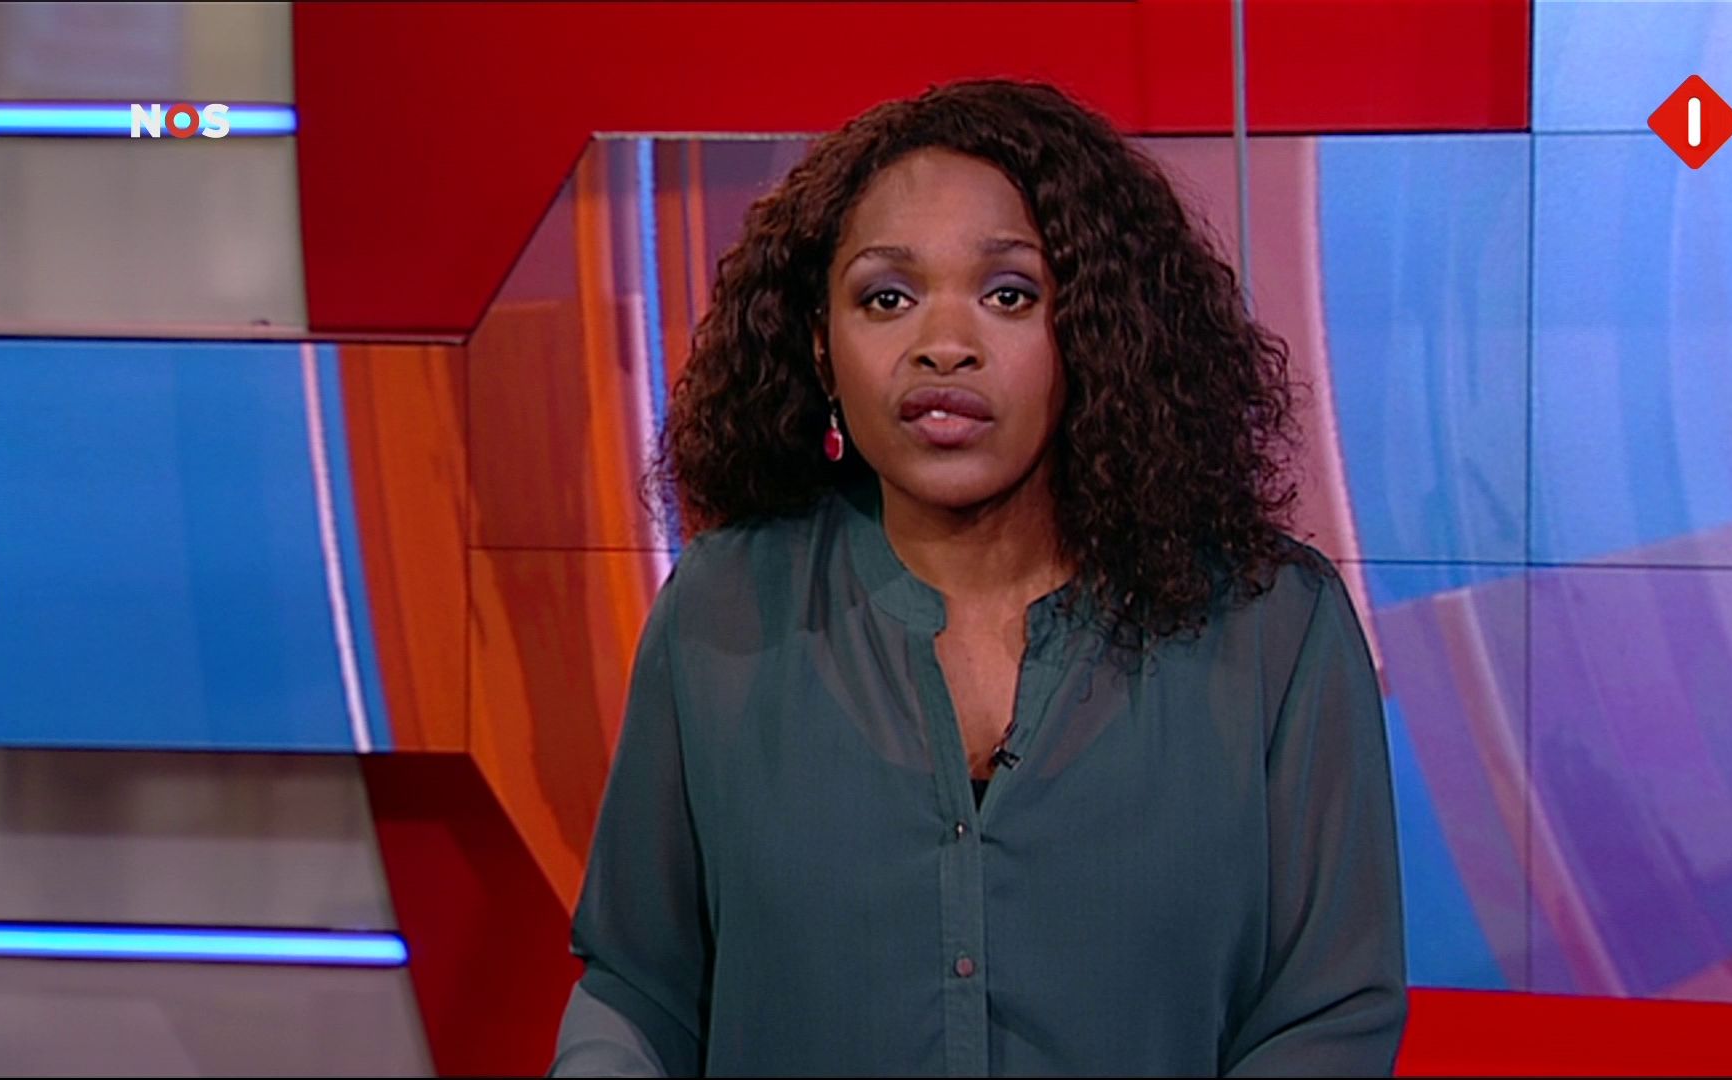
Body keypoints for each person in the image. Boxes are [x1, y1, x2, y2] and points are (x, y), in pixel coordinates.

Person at [550, 77, 1406, 1078]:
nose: (944, 347)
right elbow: (637, 987)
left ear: (1091, 329)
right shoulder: (721, 608)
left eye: (1009, 295)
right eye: (887, 298)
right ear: (822, 347)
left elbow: (1326, 1015)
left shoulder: (1272, 627)